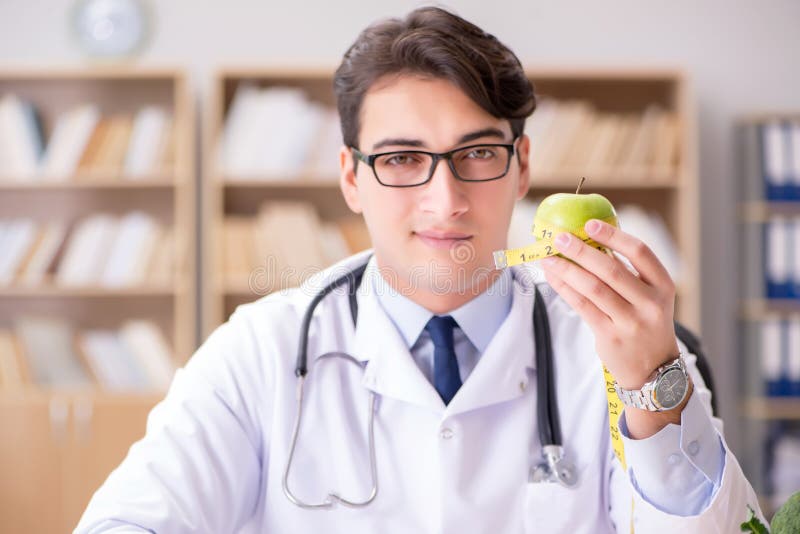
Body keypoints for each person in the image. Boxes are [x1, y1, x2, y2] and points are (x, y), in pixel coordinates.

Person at [75, 6, 765, 533]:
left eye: (476, 154)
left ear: (522, 166)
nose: (446, 200)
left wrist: (653, 384)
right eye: (403, 159)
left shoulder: (617, 351)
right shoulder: (260, 350)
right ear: (351, 177)